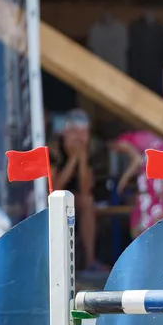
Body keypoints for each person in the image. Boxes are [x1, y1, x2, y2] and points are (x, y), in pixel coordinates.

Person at [48, 109, 107, 273]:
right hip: (52, 198)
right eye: (75, 133)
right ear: (65, 132)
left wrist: (81, 159)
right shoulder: (54, 149)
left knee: (87, 202)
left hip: (75, 197)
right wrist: (73, 159)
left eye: (83, 133)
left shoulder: (92, 149)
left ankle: (90, 260)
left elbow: (86, 188)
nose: (79, 138)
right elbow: (54, 187)